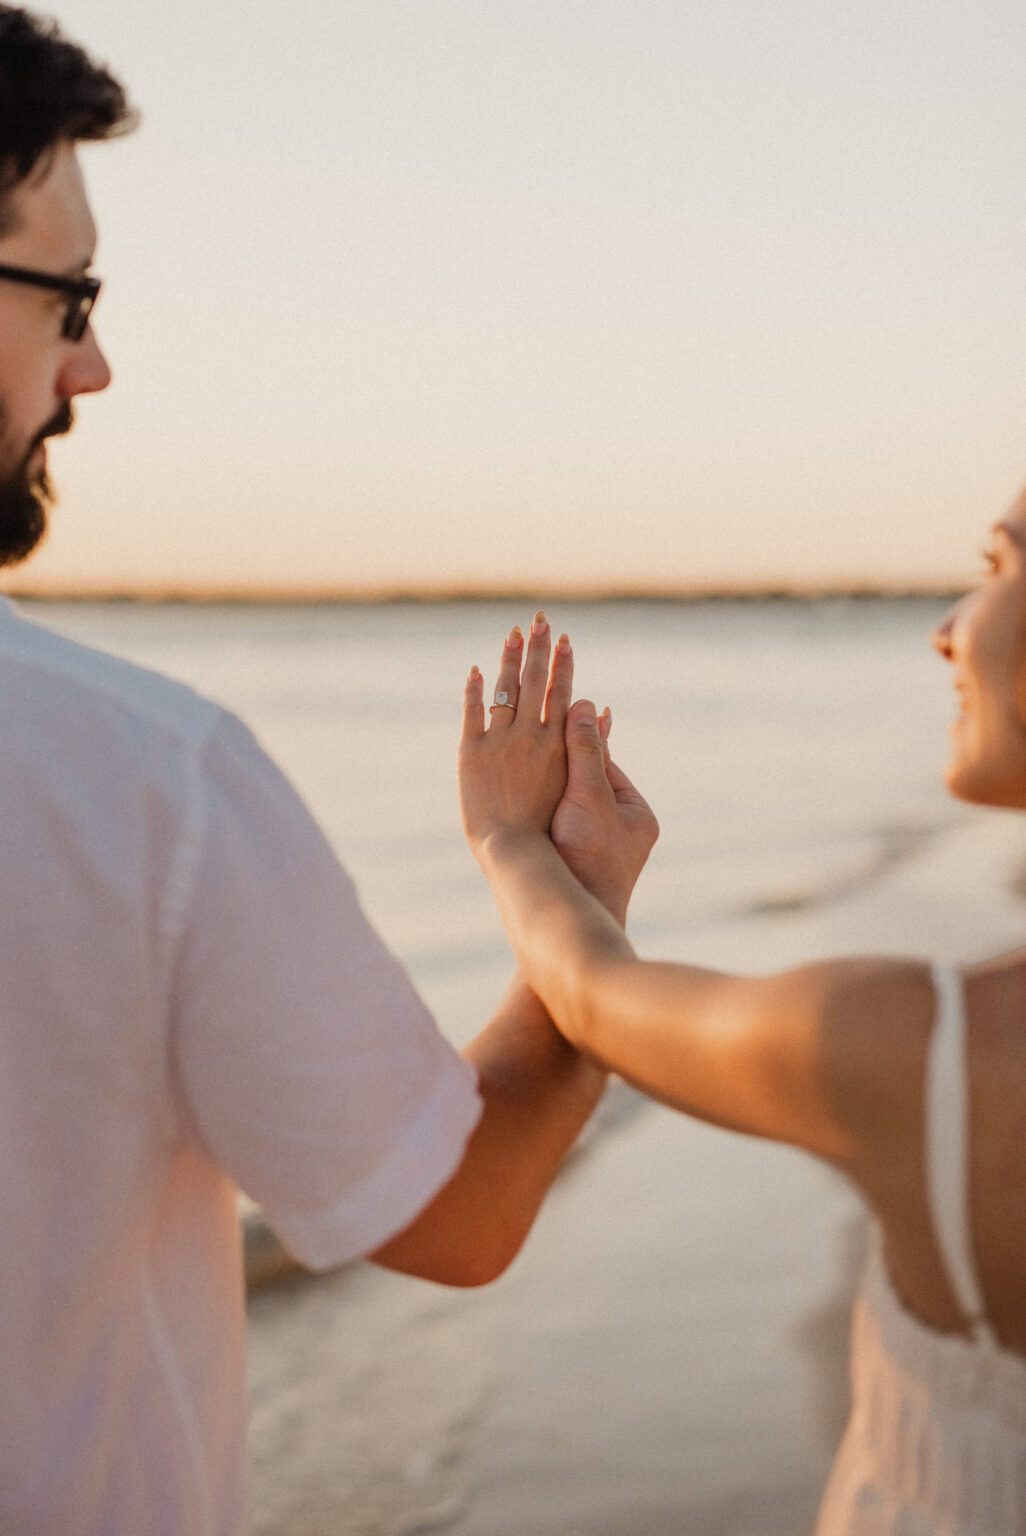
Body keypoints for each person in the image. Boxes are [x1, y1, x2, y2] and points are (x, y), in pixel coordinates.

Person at [0, 9, 643, 1533]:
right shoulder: (141, 783)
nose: (91, 365)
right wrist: (569, 903)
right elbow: (455, 1213)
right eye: (65, 296)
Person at [458, 496, 1026, 1533]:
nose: (948, 626)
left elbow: (595, 995)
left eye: (1000, 566)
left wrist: (509, 842)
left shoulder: (936, 1054)